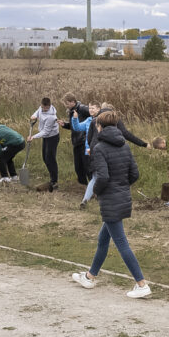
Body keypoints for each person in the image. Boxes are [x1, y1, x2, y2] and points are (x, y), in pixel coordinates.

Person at [70, 110, 152, 299]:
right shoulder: (124, 145)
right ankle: (90, 276)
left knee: (121, 242)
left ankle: (141, 284)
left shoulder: (99, 148)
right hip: (121, 196)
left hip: (110, 199)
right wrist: (122, 187)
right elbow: (135, 174)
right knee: (103, 239)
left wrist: (97, 191)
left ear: (99, 127)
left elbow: (103, 177)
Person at [28, 96, 61, 191]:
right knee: (44, 157)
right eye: (43, 108)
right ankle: (52, 177)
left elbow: (46, 132)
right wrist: (34, 116)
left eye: (46, 108)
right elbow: (38, 112)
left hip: (52, 137)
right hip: (46, 137)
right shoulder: (41, 108)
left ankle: (54, 181)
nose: (44, 110)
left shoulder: (51, 117)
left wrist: (33, 137)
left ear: (49, 106)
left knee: (50, 158)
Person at [60, 93, 92, 185]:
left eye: (66, 103)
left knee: (88, 167)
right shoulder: (71, 111)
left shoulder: (82, 108)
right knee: (78, 168)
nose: (65, 105)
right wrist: (65, 125)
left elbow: (95, 115)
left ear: (73, 102)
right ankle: (84, 187)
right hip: (76, 142)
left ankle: (95, 189)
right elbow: (75, 126)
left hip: (84, 141)